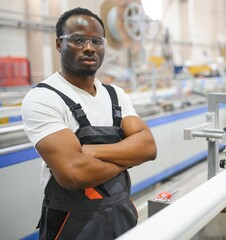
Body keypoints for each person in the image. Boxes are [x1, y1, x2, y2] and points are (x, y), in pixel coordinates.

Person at [21, 7, 157, 240]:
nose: (89, 47)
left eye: (97, 41)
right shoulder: (44, 97)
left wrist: (91, 151)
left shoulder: (116, 95)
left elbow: (148, 148)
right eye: (78, 39)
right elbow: (74, 173)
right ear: (58, 44)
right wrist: (127, 159)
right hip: (71, 225)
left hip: (122, 215)